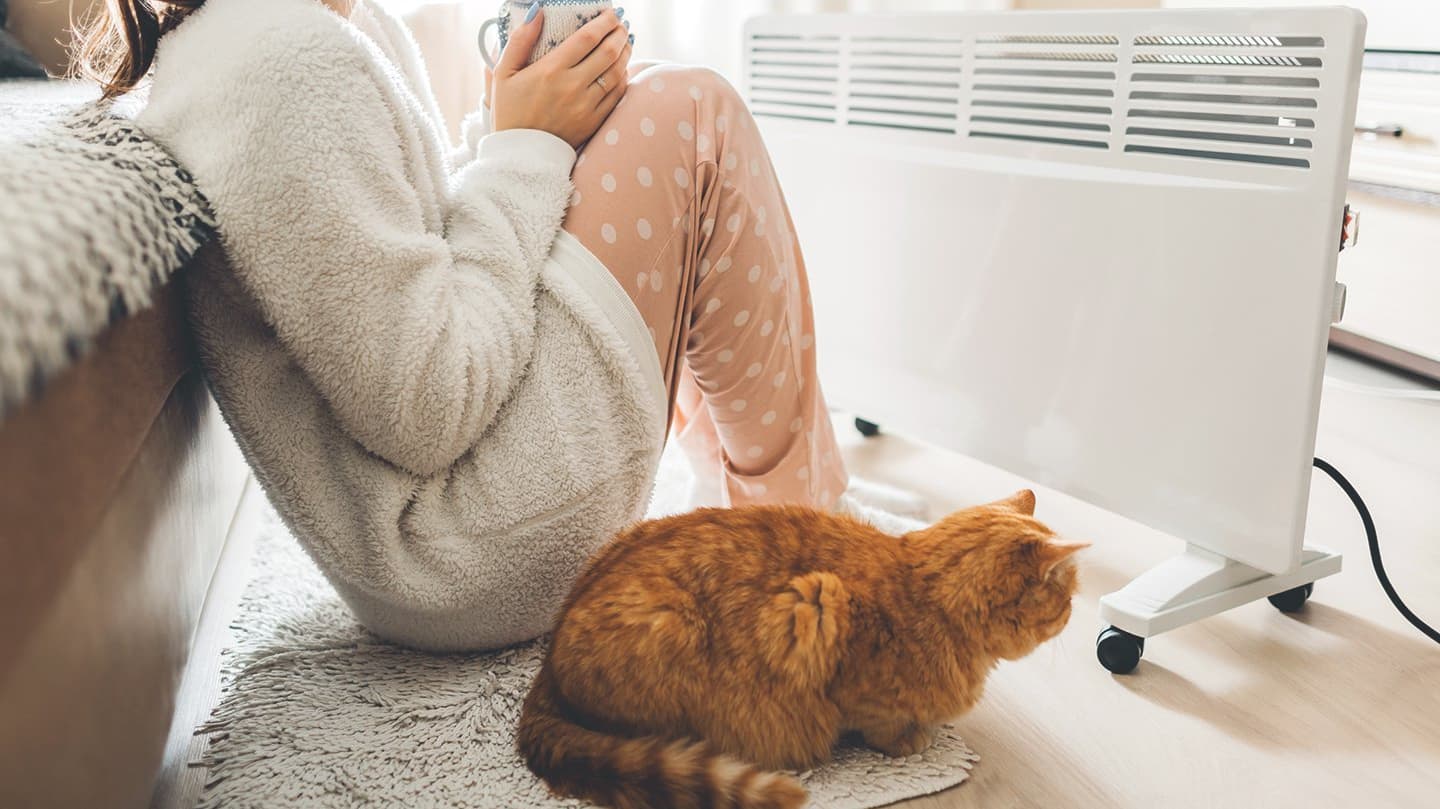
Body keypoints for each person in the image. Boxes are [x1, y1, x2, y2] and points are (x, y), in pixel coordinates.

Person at [79, 0, 915, 651]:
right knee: (692, 112)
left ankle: (762, 514)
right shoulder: (286, 69)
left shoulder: (315, 29)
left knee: (651, 102)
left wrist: (514, 128)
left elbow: (426, 248)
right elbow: (428, 407)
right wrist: (522, 146)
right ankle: (816, 559)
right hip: (463, 547)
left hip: (449, 539)